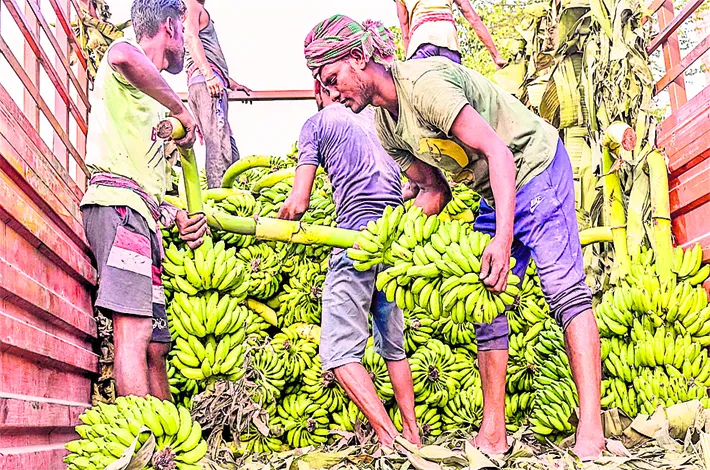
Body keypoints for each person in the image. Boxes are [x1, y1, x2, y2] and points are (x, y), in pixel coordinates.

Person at [302, 15, 605, 460]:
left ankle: (592, 430)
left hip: (533, 165)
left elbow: (498, 152)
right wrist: (395, 240)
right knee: (486, 301)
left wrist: (503, 238)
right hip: (492, 189)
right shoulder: (386, 126)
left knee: (565, 293)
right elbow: (435, 191)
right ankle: (494, 431)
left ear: (360, 58)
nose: (331, 94)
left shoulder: (424, 86)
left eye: (332, 79)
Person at [277, 80, 421, 449]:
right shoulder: (377, 120)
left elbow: (299, 201)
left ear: (318, 90)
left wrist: (279, 222)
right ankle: (413, 435)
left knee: (339, 353)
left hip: (352, 242)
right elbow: (410, 186)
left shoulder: (316, 124)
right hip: (392, 246)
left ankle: (390, 440)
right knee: (394, 348)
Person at [81, 0, 208, 400]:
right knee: (134, 331)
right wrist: (181, 108)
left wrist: (173, 214)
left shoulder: (150, 99)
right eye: (184, 31)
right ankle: (138, 433)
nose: (186, 42)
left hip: (140, 214)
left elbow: (143, 180)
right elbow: (122, 56)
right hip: (119, 208)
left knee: (155, 345)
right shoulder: (124, 54)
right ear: (170, 27)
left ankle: (167, 430)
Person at [184, 0, 251, 188]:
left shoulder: (196, 8)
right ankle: (219, 198)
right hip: (207, 85)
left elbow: (207, 51)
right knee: (218, 148)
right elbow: (190, 37)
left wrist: (230, 82)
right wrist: (209, 75)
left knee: (228, 148)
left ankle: (231, 191)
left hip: (210, 84)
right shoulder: (192, 5)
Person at [395, 0, 506, 67]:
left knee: (420, 92)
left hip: (421, 40)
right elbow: (473, 18)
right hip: (449, 40)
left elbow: (405, 31)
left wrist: (408, 63)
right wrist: (496, 56)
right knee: (453, 91)